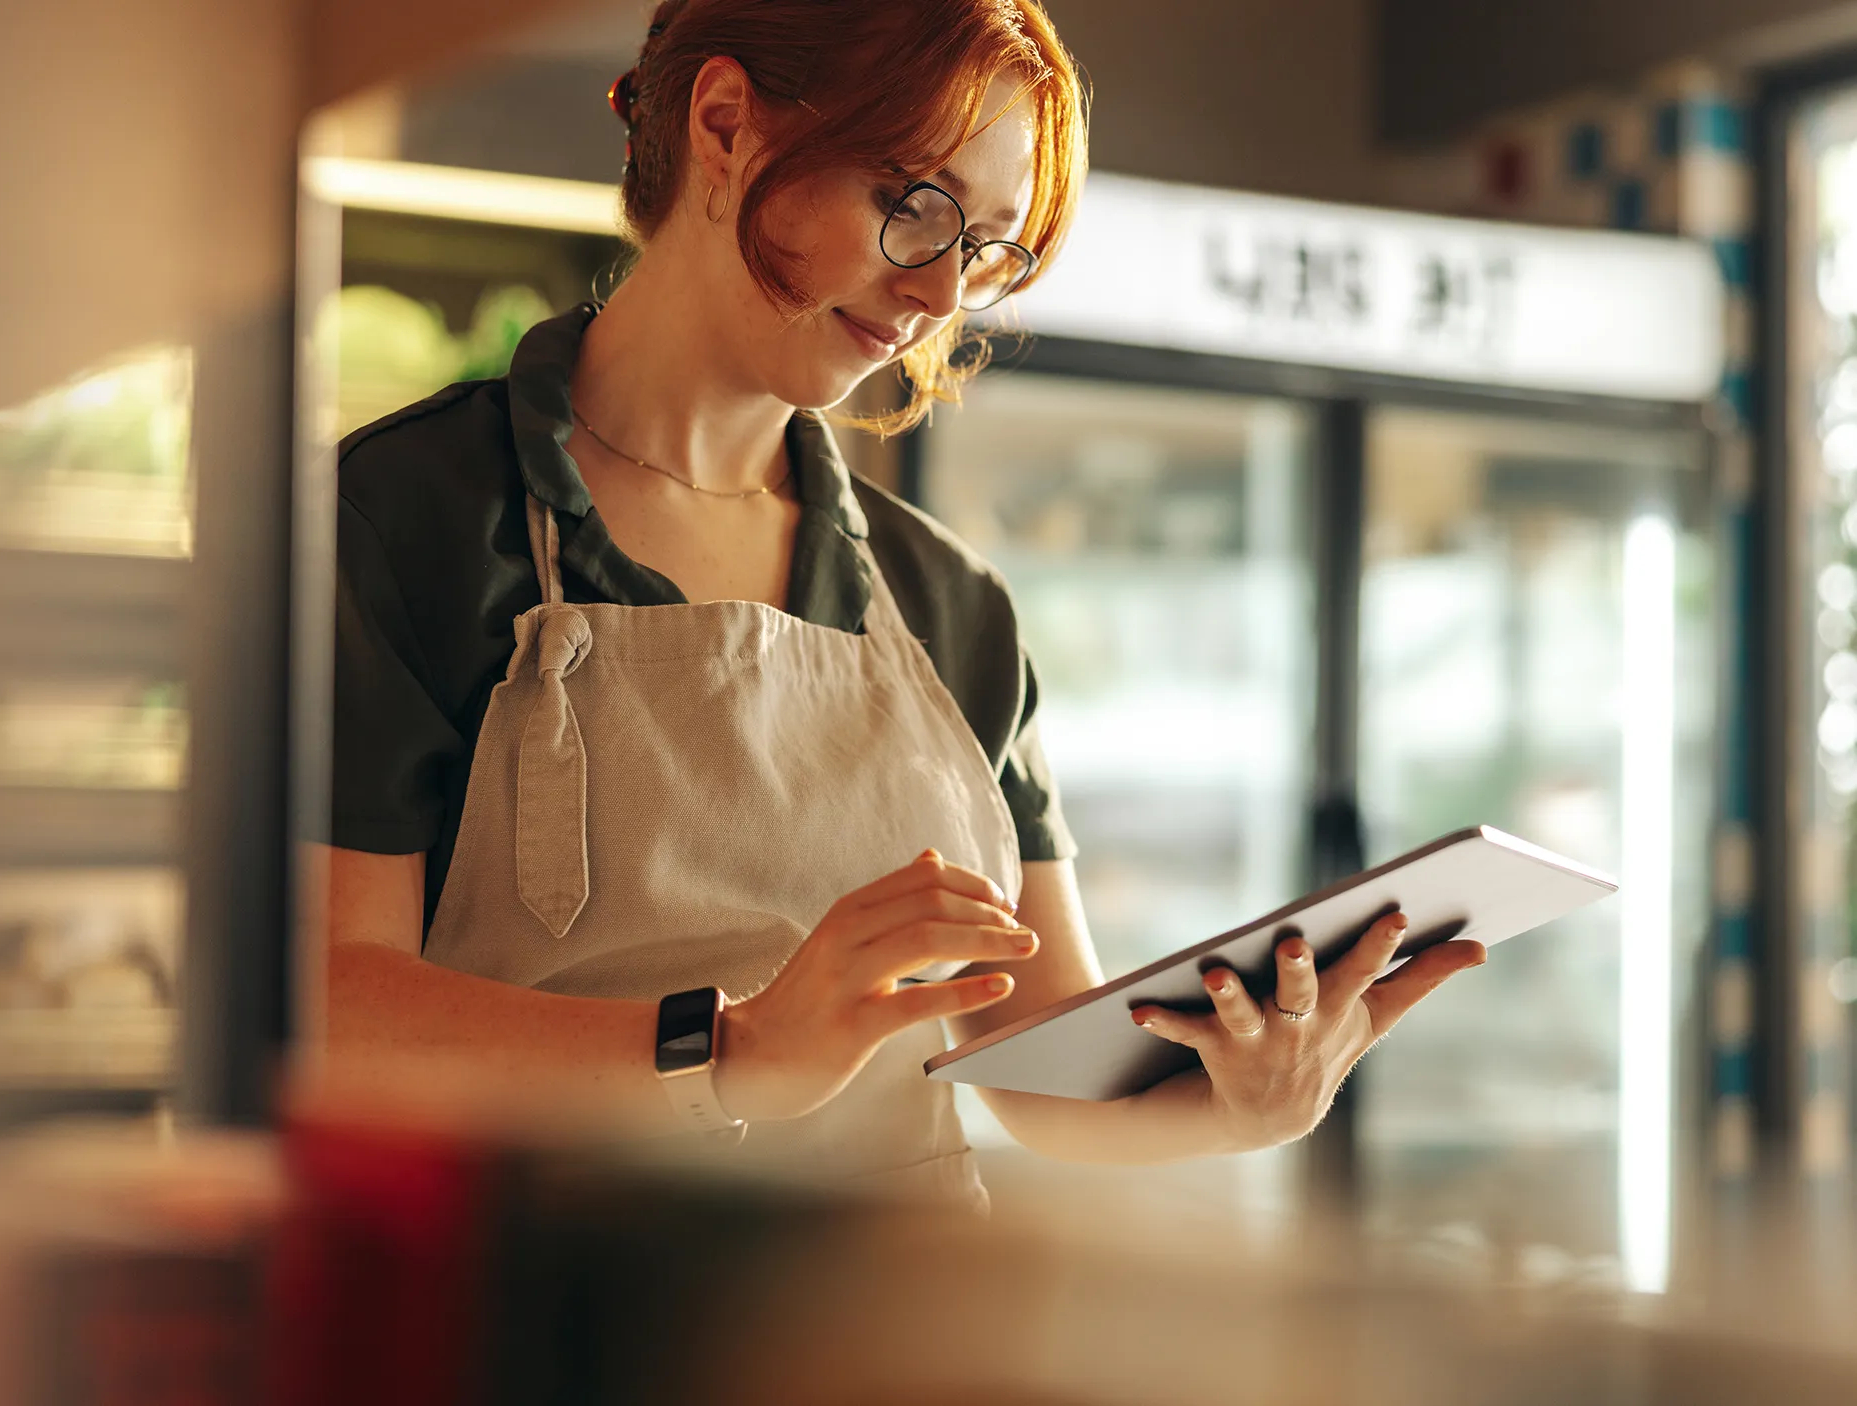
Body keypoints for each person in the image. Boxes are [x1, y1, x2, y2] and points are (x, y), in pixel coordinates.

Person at [320, 0, 1485, 1206]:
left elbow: (1035, 1073)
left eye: (985, 249)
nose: (937, 294)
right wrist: (728, 1054)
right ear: (723, 126)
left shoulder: (951, 605)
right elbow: (328, 1002)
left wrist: (1235, 1100)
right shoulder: (409, 515)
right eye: (914, 206)